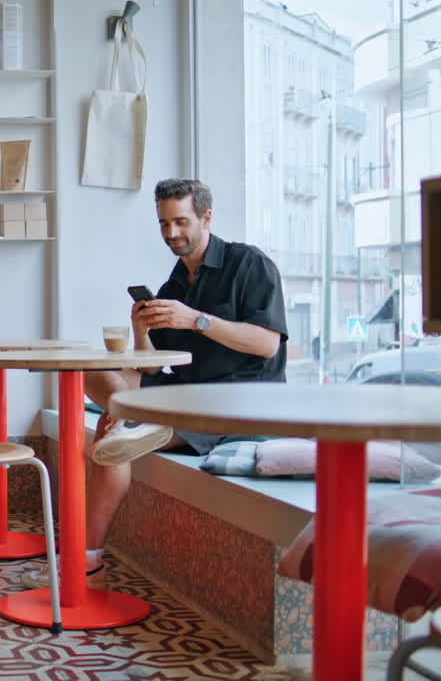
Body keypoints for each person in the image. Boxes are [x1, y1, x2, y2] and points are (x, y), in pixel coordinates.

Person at [23, 178, 288, 588]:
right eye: (163, 224)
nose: (171, 234)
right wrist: (141, 329)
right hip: (184, 392)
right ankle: (133, 420)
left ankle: (86, 561)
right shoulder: (177, 281)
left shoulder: (249, 264)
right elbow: (149, 367)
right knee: (91, 371)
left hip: (236, 401)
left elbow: (268, 344)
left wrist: (197, 320)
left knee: (111, 443)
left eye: (180, 222)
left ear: (206, 217)